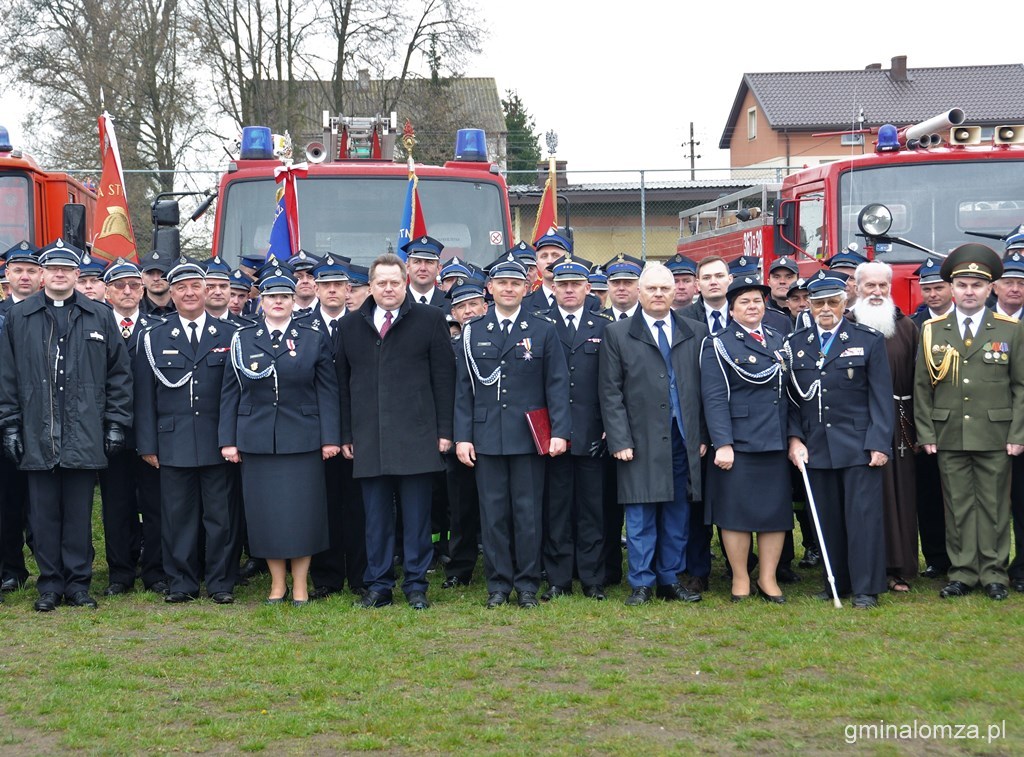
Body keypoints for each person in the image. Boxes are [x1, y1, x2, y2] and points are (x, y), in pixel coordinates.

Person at [0, 240, 132, 612]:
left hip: (84, 432)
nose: (59, 274)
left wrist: (117, 424)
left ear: (78, 274)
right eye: (53, 268)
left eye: (67, 269)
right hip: (36, 432)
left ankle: (78, 584)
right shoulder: (19, 317)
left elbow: (119, 376)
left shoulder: (99, 316)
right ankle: (49, 584)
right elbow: (7, 377)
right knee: (42, 516)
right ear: (42, 274)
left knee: (77, 515)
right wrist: (9, 425)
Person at [335, 253, 455, 610]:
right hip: (368, 438)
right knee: (375, 519)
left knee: (417, 518)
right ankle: (379, 585)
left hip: (417, 436)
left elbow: (444, 379)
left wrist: (445, 430)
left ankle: (416, 585)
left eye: (395, 282)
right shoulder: (350, 326)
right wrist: (345, 435)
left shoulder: (431, 320)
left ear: (405, 283)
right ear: (369, 286)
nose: (388, 288)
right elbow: (342, 386)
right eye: (381, 282)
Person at [455, 254, 570, 608]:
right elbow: (463, 389)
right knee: (493, 516)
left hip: (528, 437)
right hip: (487, 437)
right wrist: (462, 436)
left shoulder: (542, 329)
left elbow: (557, 385)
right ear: (490, 289)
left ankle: (528, 586)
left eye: (515, 283)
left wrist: (560, 432)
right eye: (502, 283)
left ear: (526, 288)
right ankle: (498, 586)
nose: (508, 288)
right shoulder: (473, 331)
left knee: (528, 514)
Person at [219, 269, 340, 606]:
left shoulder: (312, 337)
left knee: (303, 515)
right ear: (262, 301)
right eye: (272, 297)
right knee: (266, 517)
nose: (278, 302)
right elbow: (231, 392)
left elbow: (327, 391)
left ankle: (300, 584)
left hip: (302, 439)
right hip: (256, 440)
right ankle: (277, 585)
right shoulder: (243, 339)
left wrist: (330, 437)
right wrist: (228, 440)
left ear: (293, 301)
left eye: (284, 297)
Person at [915, 244, 1024, 601]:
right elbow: (922, 388)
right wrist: (927, 432)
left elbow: (1020, 386)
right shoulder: (932, 329)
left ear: (990, 288)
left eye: (977, 285)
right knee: (958, 505)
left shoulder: (1009, 329)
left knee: (994, 506)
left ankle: (993, 573)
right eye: (962, 285)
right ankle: (962, 572)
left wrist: (1018, 433)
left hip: (996, 432)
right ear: (952, 289)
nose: (969, 292)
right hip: (949, 433)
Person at [599, 262, 709, 605]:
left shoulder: (696, 332)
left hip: (683, 439)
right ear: (639, 293)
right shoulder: (617, 334)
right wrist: (619, 440)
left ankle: (669, 579)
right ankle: (642, 582)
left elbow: (707, 390)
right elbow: (610, 391)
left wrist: (702, 435)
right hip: (639, 440)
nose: (659, 294)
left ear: (675, 292)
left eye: (665, 288)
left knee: (677, 513)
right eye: (651, 289)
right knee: (641, 513)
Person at [134, 257, 240, 604]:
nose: (190, 293)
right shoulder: (154, 336)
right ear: (172, 295)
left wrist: (233, 439)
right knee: (177, 518)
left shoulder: (231, 334)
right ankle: (181, 582)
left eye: (196, 286)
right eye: (181, 288)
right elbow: (145, 395)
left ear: (207, 290)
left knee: (220, 517)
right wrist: (147, 444)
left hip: (217, 441)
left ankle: (221, 582)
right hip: (172, 441)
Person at [786, 270, 893, 609]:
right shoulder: (796, 345)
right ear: (809, 307)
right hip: (816, 446)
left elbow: (880, 397)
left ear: (845, 302)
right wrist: (794, 439)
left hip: (858, 444)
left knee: (863, 518)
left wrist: (879, 442)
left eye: (833, 301)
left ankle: (866, 587)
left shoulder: (868, 339)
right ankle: (837, 580)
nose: (826, 309)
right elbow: (791, 400)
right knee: (826, 518)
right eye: (818, 303)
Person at [701, 276, 791, 602]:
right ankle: (740, 578)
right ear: (732, 308)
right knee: (735, 515)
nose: (752, 307)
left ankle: (767, 579)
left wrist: (793, 438)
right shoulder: (719, 343)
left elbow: (790, 394)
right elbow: (713, 396)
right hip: (739, 443)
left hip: (775, 440)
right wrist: (722, 442)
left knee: (774, 514)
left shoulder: (779, 339)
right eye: (744, 302)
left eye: (757, 300)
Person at [541, 257, 612, 601]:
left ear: (588, 289)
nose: (569, 290)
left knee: (591, 510)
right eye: (563, 285)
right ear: (553, 289)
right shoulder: (541, 325)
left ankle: (592, 578)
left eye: (576, 285)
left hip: (591, 433)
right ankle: (558, 578)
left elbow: (611, 383)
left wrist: (607, 428)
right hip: (552, 434)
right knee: (556, 510)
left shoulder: (604, 327)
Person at [98, 258, 167, 596]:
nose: (127, 291)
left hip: (149, 431)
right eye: (119, 286)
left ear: (142, 291)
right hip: (110, 432)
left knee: (155, 505)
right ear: (107, 292)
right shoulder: (96, 326)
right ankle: (120, 573)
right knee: (116, 506)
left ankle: (154, 571)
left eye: (133, 286)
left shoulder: (157, 326)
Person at [850, 261, 919, 594]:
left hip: (899, 421)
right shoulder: (845, 325)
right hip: (855, 425)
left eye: (882, 287)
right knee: (863, 497)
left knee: (898, 495)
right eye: (869, 286)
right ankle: (862, 566)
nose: (876, 293)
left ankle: (898, 566)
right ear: (856, 287)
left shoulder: (906, 327)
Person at [307, 256, 368, 601]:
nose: (332, 291)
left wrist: (350, 433)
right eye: (325, 285)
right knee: (324, 505)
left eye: (339, 285)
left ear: (348, 290)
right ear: (316, 289)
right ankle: (327, 577)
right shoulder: (302, 326)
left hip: (357, 431)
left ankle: (360, 575)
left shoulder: (362, 325)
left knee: (358, 507)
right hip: (316, 433)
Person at [440, 277, 489, 589]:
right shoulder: (448, 348)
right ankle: (460, 568)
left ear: (485, 306)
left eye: (474, 304)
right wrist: (455, 436)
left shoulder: (499, 341)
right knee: (461, 508)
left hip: (496, 435)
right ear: (454, 314)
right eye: (461, 306)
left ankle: (507, 563)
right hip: (461, 438)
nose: (469, 311)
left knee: (501, 507)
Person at [0, 241, 41, 594]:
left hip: (46, 420)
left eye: (31, 270)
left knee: (44, 500)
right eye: (18, 270)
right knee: (8, 500)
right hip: (7, 420)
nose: (25, 276)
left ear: (41, 276)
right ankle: (11, 568)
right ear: (7, 276)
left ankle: (50, 565)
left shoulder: (54, 311)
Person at [909, 258, 953, 581]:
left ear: (950, 288)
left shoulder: (970, 321)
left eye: (938, 287)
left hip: (961, 422)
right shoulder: (915, 325)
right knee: (929, 495)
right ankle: (937, 558)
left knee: (964, 496)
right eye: (927, 289)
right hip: (927, 424)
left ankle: (966, 556)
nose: (933, 294)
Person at [522, 234, 570, 312]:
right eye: (544, 256)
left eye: (555, 255)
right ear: (537, 264)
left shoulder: (586, 301)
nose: (549, 261)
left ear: (567, 261)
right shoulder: (524, 303)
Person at [404, 236, 447, 306]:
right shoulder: (397, 302)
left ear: (438, 269)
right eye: (417, 262)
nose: (423, 268)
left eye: (429, 262)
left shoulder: (450, 303)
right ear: (407, 267)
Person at [603, 254, 643, 321]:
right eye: (615, 282)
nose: (621, 288)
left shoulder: (649, 318)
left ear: (639, 286)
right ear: (608, 286)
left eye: (628, 283)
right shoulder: (598, 321)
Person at [139, 249, 176, 316]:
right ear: (142, 277)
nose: (156, 278)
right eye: (150, 273)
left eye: (161, 273)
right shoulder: (134, 309)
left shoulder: (185, 305)